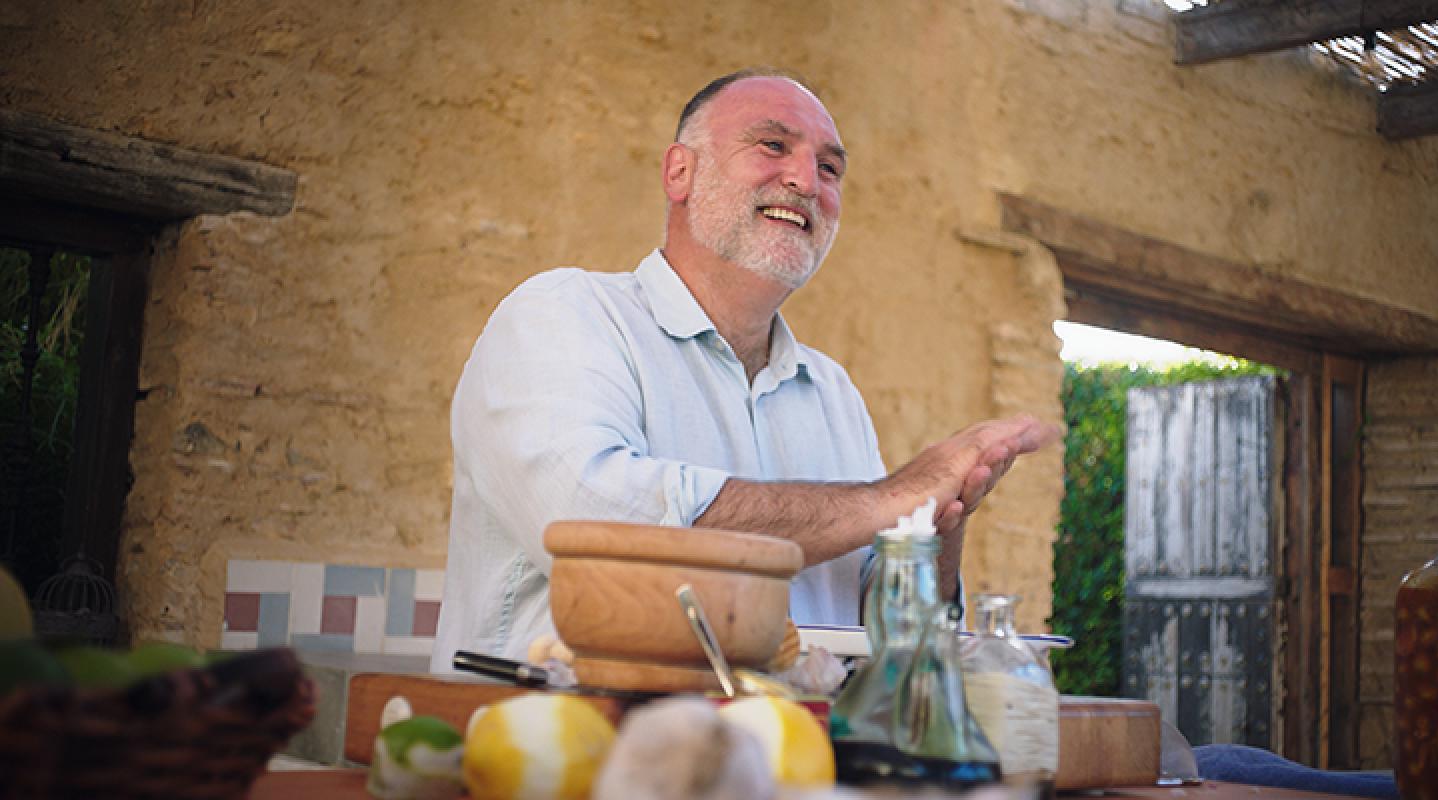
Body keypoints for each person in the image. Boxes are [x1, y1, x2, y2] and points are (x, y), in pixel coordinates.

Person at [430, 68, 1055, 671]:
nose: (807, 181)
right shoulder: (563, 315)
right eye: (773, 145)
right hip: (559, 761)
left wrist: (937, 522)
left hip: (789, 768)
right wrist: (894, 496)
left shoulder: (834, 393)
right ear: (681, 171)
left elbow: (887, 641)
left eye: (830, 168)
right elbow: (594, 526)